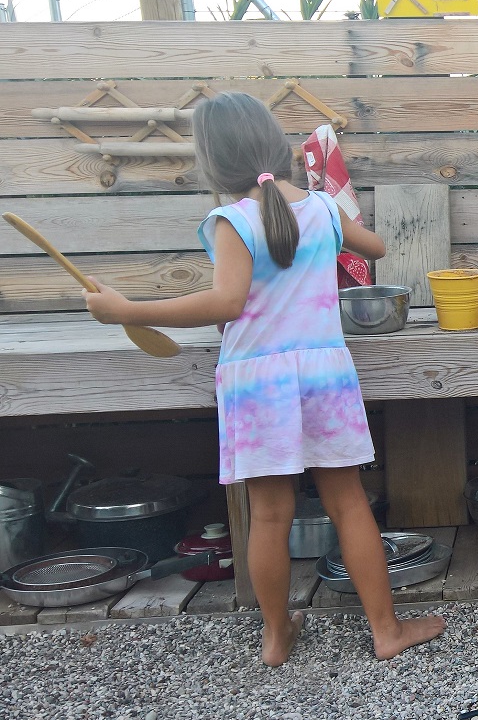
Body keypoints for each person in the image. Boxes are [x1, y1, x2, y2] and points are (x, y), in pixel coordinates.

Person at [84, 92, 445, 667]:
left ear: (214, 166)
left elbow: (227, 302)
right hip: (324, 373)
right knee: (349, 503)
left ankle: (276, 638)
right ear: (280, 149)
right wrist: (329, 223)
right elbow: (376, 247)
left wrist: (129, 310)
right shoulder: (322, 207)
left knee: (270, 515)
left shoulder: (232, 221)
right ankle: (387, 630)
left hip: (258, 384)